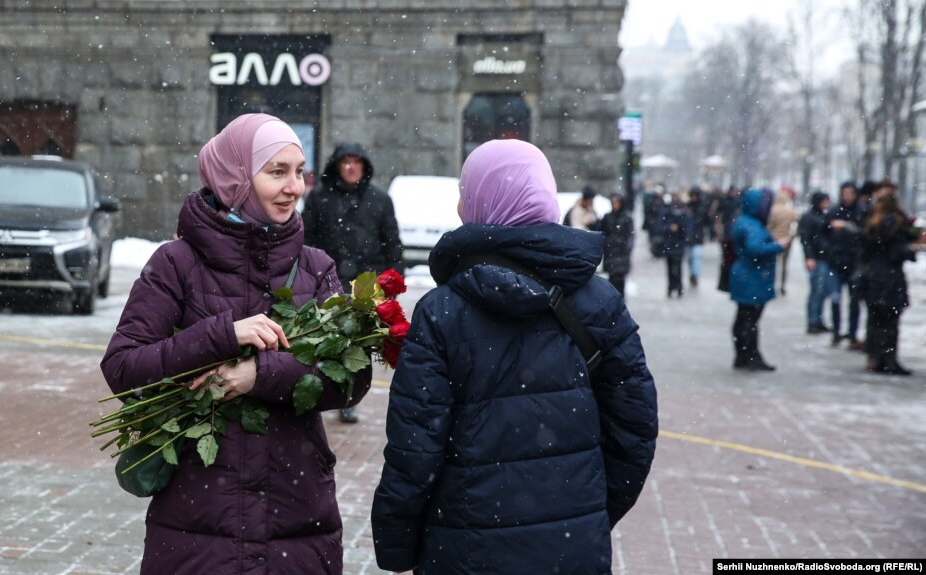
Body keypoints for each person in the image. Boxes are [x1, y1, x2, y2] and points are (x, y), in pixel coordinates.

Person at [100, 114, 372, 574]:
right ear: (236, 176)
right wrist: (222, 335)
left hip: (296, 516)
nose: (294, 187)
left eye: (298, 171)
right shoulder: (177, 264)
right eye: (276, 171)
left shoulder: (316, 268)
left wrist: (258, 376)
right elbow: (125, 368)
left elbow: (352, 378)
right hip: (199, 524)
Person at [370, 139, 658, 575]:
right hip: (571, 547)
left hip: (464, 544)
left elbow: (415, 447)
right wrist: (588, 511)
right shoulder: (599, 302)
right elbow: (635, 428)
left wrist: (396, 544)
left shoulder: (443, 311)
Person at [303, 142, 401, 423]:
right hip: (328, 281)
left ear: (364, 166)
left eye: (356, 162)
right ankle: (323, 392)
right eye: (345, 161)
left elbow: (392, 243)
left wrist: (390, 283)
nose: (350, 167)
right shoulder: (319, 198)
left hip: (367, 282)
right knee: (326, 341)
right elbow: (306, 238)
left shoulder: (379, 200)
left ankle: (348, 397)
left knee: (359, 344)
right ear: (336, 165)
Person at [861, 182, 923, 375]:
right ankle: (888, 359)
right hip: (890, 276)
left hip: (873, 275)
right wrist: (913, 247)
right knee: (890, 319)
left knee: (876, 318)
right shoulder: (894, 221)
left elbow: (869, 247)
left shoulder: (872, 220)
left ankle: (875, 357)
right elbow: (895, 251)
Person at [730, 188, 791, 371]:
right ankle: (750, 356)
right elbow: (754, 249)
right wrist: (777, 245)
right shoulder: (752, 224)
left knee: (744, 318)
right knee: (749, 320)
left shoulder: (745, 221)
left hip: (747, 276)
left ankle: (743, 355)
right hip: (752, 277)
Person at [823, 181, 866, 350]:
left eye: (850, 193)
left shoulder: (861, 211)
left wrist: (847, 228)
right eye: (845, 193)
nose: (847, 197)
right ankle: (836, 332)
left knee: (854, 301)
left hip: (855, 262)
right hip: (836, 261)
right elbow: (823, 232)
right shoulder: (834, 211)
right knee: (835, 298)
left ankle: (852, 333)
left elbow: (864, 233)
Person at [798, 191, 831, 334]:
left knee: (821, 291)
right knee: (816, 291)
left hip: (822, 257)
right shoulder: (809, 218)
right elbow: (806, 239)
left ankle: (817, 319)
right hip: (816, 258)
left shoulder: (822, 216)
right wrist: (809, 257)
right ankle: (813, 321)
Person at [598, 192, 635, 296]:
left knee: (620, 279)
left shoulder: (626, 218)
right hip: (611, 252)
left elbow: (630, 235)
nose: (615, 205)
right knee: (612, 280)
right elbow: (602, 231)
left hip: (621, 252)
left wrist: (627, 247)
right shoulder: (607, 217)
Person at [767, 187, 799, 295]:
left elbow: (769, 226)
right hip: (787, 240)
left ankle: (771, 284)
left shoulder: (772, 210)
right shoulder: (790, 211)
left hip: (773, 239)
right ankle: (782, 285)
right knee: (784, 264)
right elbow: (798, 222)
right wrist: (792, 236)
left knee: (772, 263)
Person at [659, 193, 691, 298]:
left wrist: (679, 228)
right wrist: (669, 228)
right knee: (670, 267)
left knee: (678, 267)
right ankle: (672, 287)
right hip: (670, 245)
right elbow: (660, 227)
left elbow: (687, 231)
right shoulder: (667, 213)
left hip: (678, 245)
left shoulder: (684, 215)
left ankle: (678, 287)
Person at [685, 186, 707, 287]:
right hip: (689, 236)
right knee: (690, 257)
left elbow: (707, 221)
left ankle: (695, 274)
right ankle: (693, 273)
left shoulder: (702, 207)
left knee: (696, 256)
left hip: (698, 236)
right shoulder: (688, 206)